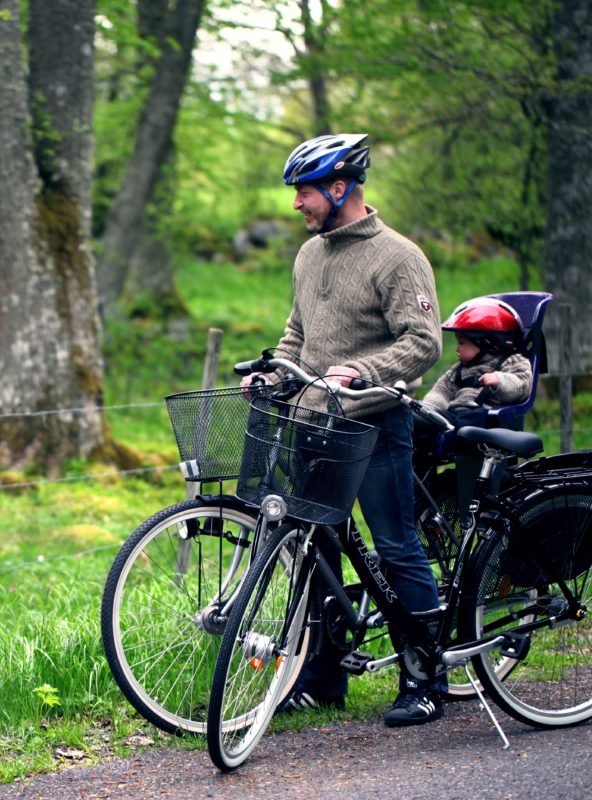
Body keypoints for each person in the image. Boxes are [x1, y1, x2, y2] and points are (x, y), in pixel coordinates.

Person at [245, 133, 446, 727]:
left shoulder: (398, 256)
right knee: (317, 553)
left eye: (303, 192)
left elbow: (423, 341)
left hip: (377, 424)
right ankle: (322, 680)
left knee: (396, 546)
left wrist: (365, 370)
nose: (296, 204)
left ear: (340, 188)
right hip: (315, 425)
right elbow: (298, 335)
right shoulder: (309, 255)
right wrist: (274, 372)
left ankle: (425, 677)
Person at [422, 297, 533, 423]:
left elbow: (523, 385)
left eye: (462, 343)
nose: (457, 349)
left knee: (472, 419)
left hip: (486, 418)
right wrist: (428, 409)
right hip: (455, 416)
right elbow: (441, 391)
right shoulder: (459, 369)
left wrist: (499, 380)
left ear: (486, 343)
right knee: (427, 426)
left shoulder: (511, 361)